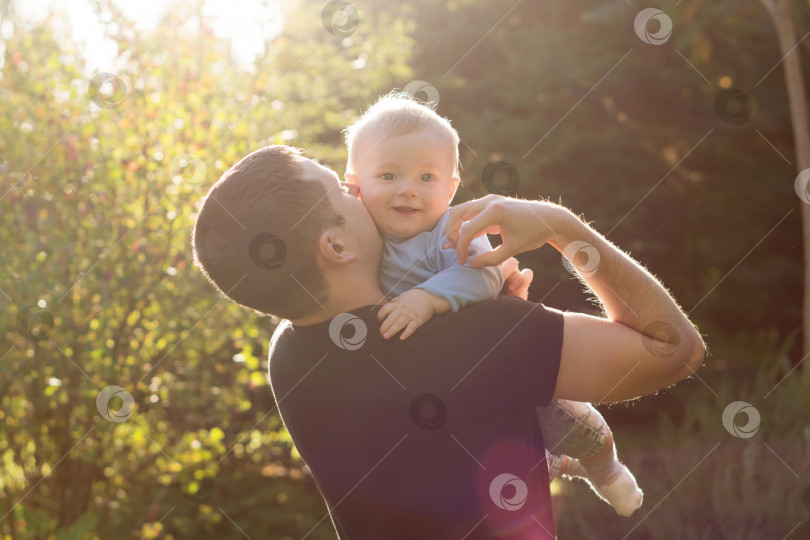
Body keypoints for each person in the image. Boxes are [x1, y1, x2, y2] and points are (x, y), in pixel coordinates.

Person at [191, 145, 705, 539]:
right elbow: (674, 349)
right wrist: (558, 225)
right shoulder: (483, 337)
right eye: (341, 192)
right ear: (336, 245)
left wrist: (503, 320)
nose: (359, 191)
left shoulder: (288, 355)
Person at [342, 93, 642, 516]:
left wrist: (426, 298)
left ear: (450, 189)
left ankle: (606, 470)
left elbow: (484, 275)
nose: (408, 189)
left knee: (572, 423)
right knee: (507, 453)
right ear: (354, 184)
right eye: (388, 175)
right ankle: (560, 464)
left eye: (427, 178)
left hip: (500, 357)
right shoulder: (361, 234)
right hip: (446, 383)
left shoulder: (452, 229)